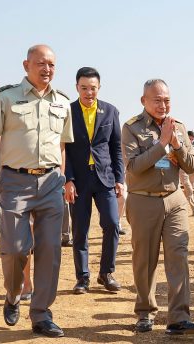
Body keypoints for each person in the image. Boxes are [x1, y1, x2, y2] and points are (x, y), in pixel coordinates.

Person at [0, 45, 74, 338]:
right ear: (26, 65)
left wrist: (60, 179)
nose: (47, 69)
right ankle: (13, 292)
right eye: (41, 64)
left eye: (52, 65)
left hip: (50, 184)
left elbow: (61, 146)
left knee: (50, 250)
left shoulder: (62, 102)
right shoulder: (5, 97)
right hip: (15, 182)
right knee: (16, 248)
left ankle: (42, 314)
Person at [121, 79, 194, 335]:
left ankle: (178, 317)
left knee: (179, 256)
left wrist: (176, 145)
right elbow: (133, 166)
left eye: (166, 99)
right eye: (157, 99)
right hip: (143, 199)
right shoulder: (131, 128)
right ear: (143, 101)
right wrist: (161, 144)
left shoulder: (178, 126)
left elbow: (192, 167)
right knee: (145, 260)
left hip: (174, 200)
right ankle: (145, 312)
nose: (162, 104)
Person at [64, 66, 123, 295]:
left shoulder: (110, 111)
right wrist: (68, 179)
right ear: (77, 87)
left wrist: (120, 178)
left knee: (112, 223)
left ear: (99, 88)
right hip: (78, 180)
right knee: (80, 230)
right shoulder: (67, 112)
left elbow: (116, 148)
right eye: (84, 88)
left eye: (93, 88)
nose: (89, 93)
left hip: (104, 178)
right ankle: (83, 278)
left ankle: (106, 273)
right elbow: (64, 150)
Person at [179, 130, 194, 216]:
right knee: (189, 189)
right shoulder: (180, 146)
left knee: (187, 190)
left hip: (192, 172)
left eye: (192, 139)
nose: (191, 141)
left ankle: (178, 204)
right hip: (182, 170)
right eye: (190, 139)